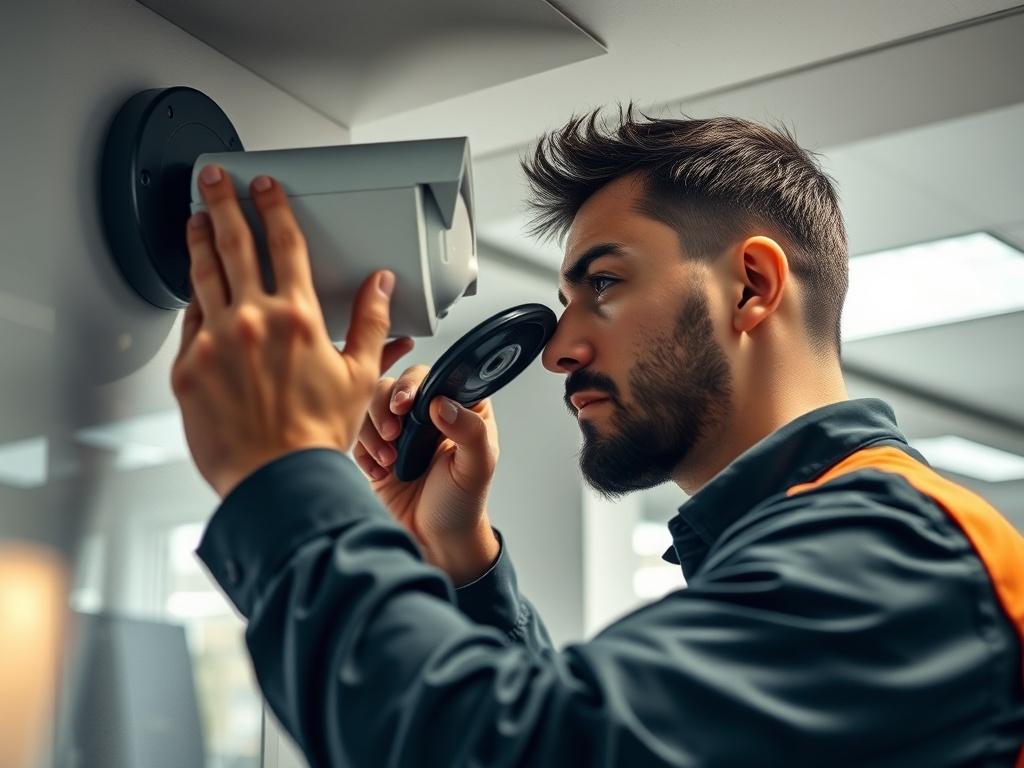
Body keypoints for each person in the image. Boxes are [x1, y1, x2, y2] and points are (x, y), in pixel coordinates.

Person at [174, 108, 1024, 767]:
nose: (557, 350)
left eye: (605, 283)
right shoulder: (825, 545)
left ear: (753, 286)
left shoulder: (890, 550)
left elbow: (523, 752)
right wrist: (457, 556)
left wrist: (285, 473)